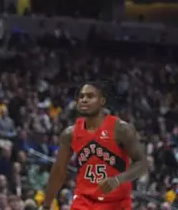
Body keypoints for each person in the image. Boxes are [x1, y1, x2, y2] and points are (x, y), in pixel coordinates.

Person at [42, 82, 149, 210]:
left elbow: (142, 163)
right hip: (84, 201)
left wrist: (118, 180)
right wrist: (46, 205)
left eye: (90, 96)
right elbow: (59, 171)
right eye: (81, 97)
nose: (84, 100)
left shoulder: (121, 129)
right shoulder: (69, 134)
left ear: (102, 101)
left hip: (117, 203)